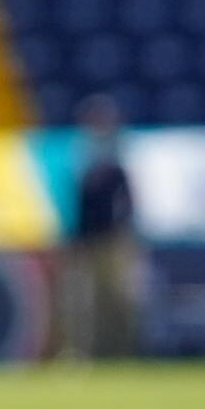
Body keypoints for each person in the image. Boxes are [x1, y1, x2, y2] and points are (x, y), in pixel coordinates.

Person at [58, 98, 142, 364]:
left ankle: (122, 351)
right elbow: (76, 208)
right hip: (86, 242)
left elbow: (127, 206)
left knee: (117, 300)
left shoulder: (116, 166)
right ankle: (83, 353)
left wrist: (122, 235)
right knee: (82, 303)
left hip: (112, 242)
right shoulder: (80, 162)